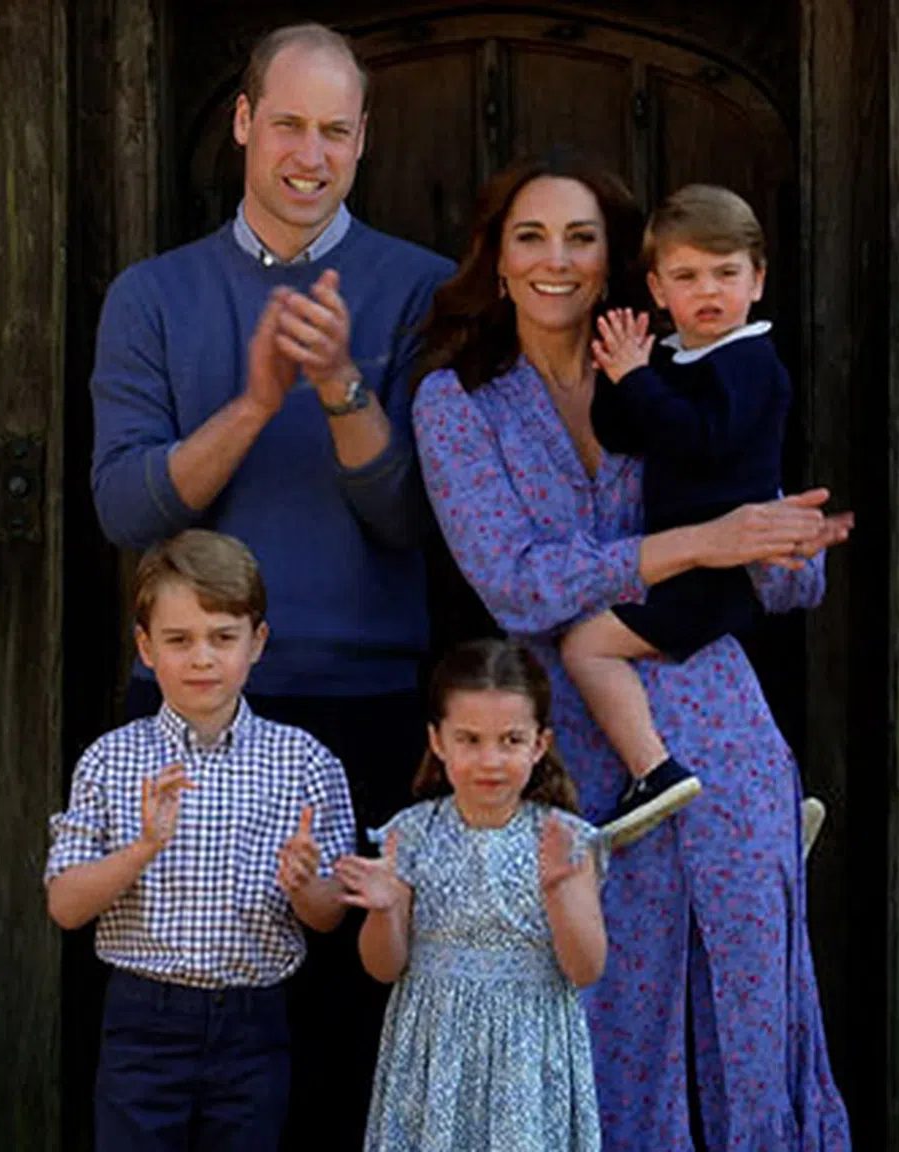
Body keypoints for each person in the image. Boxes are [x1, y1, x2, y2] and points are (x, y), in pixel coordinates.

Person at [412, 151, 853, 1151]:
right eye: (532, 237)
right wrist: (701, 544)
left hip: (723, 729)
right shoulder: (458, 402)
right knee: (605, 1006)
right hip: (572, 747)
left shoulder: (689, 367)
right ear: (499, 258)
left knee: (749, 1002)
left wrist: (787, 547)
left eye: (580, 239)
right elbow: (514, 582)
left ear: (617, 266)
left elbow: (782, 577)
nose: (556, 260)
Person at [86, 22, 453, 1146]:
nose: (310, 153)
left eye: (334, 130)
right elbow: (128, 511)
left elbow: (409, 522)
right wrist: (252, 403)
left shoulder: (421, 291)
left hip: (371, 707)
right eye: (287, 123)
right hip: (196, 713)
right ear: (243, 122)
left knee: (349, 1027)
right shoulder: (152, 296)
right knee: (200, 1030)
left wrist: (341, 384)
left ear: (363, 142)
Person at [43, 529, 357, 1151]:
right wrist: (141, 849)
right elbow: (65, 906)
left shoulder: (304, 763)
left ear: (257, 643)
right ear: (145, 648)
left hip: (254, 1022)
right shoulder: (112, 760)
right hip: (143, 1022)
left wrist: (304, 886)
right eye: (179, 640)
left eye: (223, 638)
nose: (202, 659)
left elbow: (328, 920)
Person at [559, 184, 790, 848]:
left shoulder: (750, 362)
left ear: (758, 279)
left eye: (726, 273)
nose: (708, 291)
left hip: (712, 574)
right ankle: (759, 810)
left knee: (586, 645)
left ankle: (653, 772)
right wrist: (619, 371)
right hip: (682, 564)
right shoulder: (680, 359)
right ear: (658, 290)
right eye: (687, 276)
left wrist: (639, 378)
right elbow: (624, 433)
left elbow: (699, 439)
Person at [336, 639, 606, 1152]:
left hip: (528, 1053)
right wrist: (385, 910)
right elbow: (384, 967)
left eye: (510, 740)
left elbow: (586, 968)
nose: (491, 760)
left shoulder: (566, 840)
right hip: (434, 1053)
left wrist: (559, 893)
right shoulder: (410, 834)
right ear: (438, 741)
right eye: (470, 739)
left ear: (539, 744)